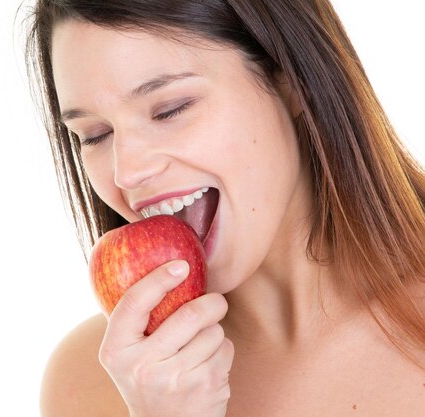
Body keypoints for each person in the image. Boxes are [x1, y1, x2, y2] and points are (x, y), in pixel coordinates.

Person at [23, 1, 425, 416]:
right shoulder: (91, 384)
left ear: (290, 79)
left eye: (170, 109)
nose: (127, 172)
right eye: (94, 135)